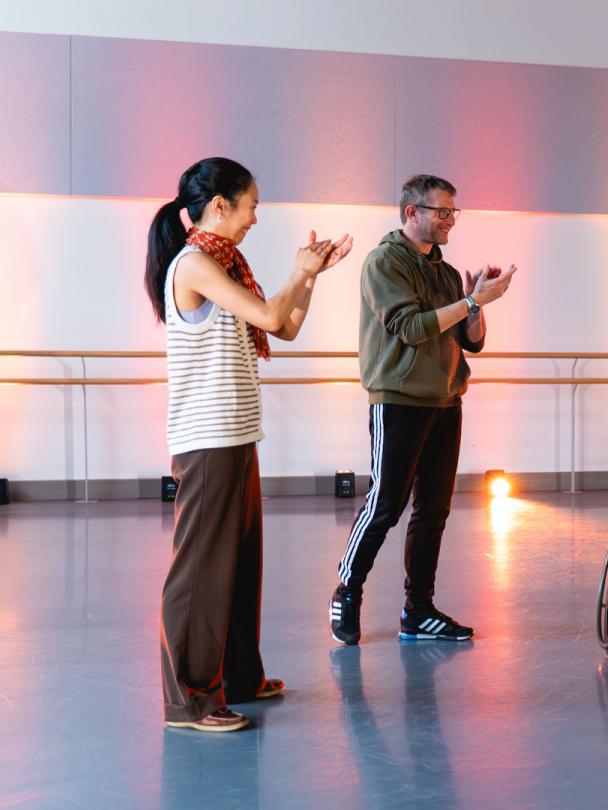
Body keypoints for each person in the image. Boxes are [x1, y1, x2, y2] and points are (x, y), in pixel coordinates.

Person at [147, 156, 353, 731]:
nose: (255, 217)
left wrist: (309, 276)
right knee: (200, 573)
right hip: (207, 439)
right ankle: (189, 700)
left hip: (237, 434)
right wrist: (297, 270)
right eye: (252, 205)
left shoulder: (227, 264)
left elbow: (282, 326)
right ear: (220, 206)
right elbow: (268, 310)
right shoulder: (194, 264)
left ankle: (237, 677)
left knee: (238, 568)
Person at [329, 174, 516, 645]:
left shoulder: (447, 272)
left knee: (433, 510)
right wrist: (470, 301)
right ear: (412, 212)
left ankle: (419, 610)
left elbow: (472, 342)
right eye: (442, 211)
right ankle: (347, 591)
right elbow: (410, 328)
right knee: (385, 503)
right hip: (397, 399)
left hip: (446, 399)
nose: (451, 220)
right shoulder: (384, 261)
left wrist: (475, 305)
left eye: (454, 211)